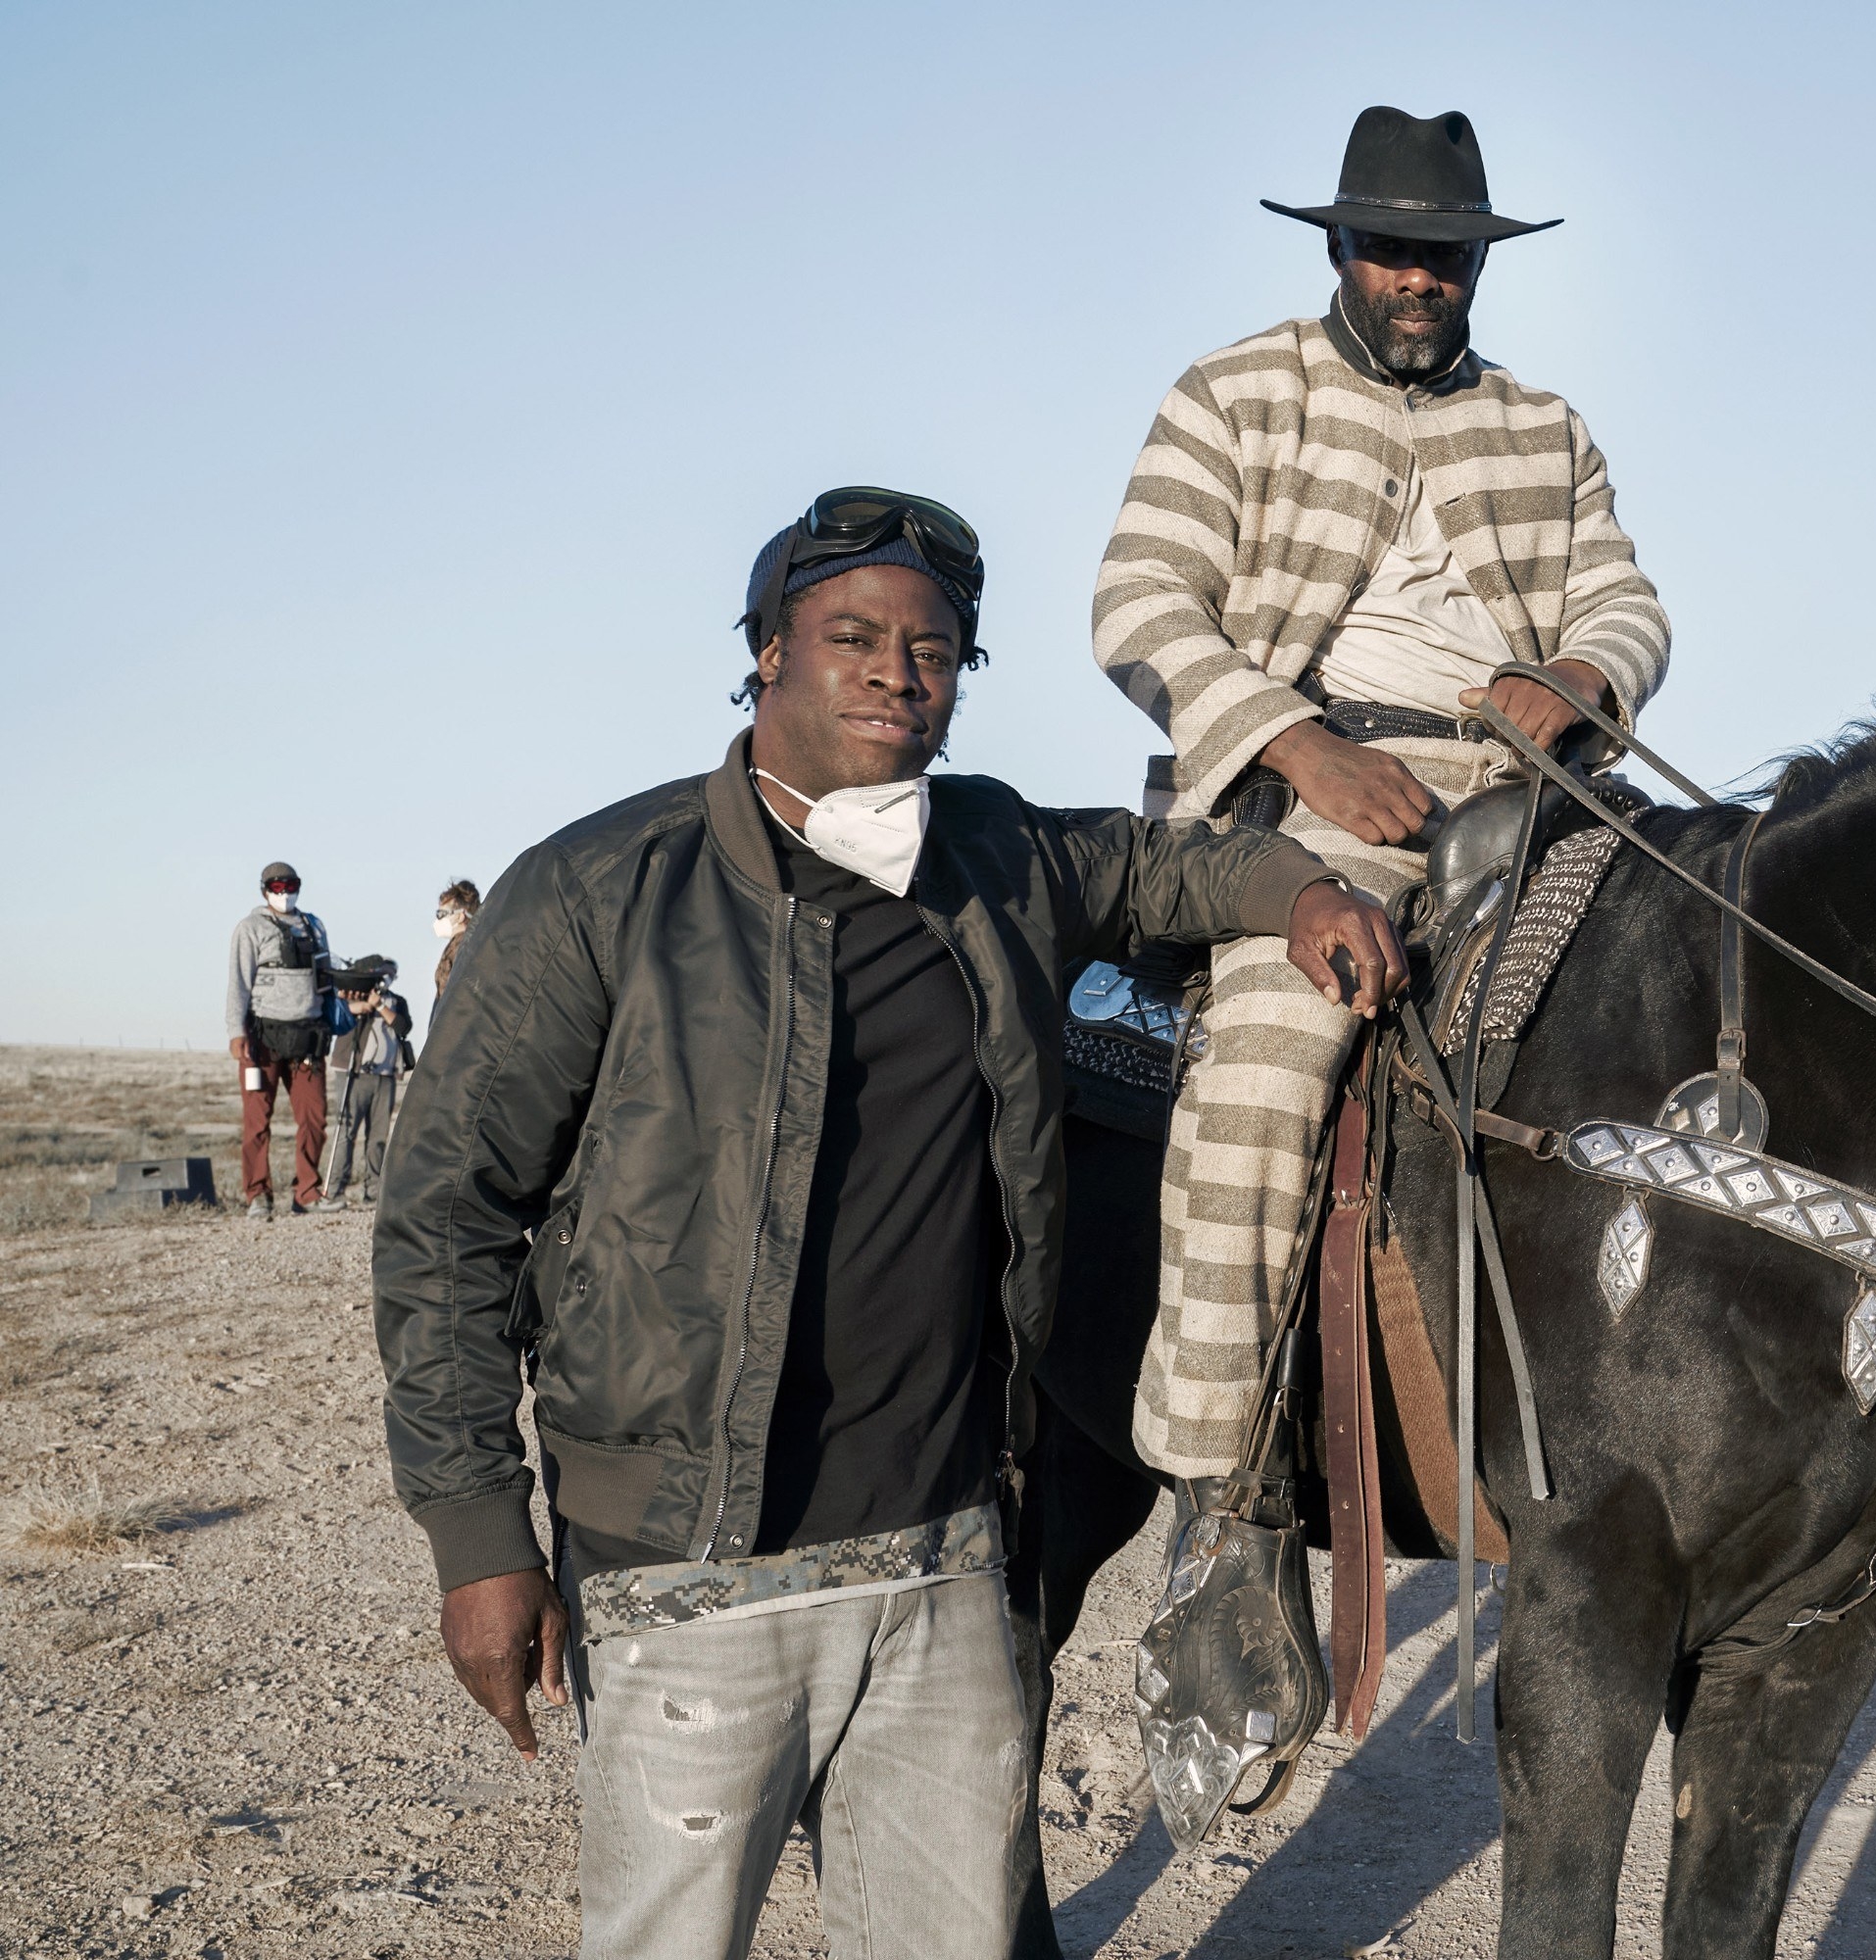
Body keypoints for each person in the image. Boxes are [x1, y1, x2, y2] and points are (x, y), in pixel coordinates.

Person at [372, 488, 1401, 1960]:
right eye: (852, 635)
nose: (894, 674)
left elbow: (1164, 866)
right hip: (684, 1572)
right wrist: (480, 1536)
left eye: (934, 652)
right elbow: (443, 1220)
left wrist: (1298, 888)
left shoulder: (988, 858)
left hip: (941, 1565)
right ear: (766, 655)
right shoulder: (602, 891)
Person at [1095, 105, 1672, 1482]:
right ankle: (1214, 1495)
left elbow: (1624, 595)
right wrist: (1300, 749)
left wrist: (1586, 672)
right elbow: (1138, 604)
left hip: (1539, 795)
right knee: (1272, 1059)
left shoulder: (1545, 426)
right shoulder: (1234, 392)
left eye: (1451, 259)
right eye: (1394, 251)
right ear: (1344, 246)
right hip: (1319, 788)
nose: (1422, 278)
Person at [223, 860, 334, 1220]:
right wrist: (236, 1032)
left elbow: (326, 978)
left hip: (308, 1039)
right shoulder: (250, 928)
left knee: (314, 1118)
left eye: (291, 886)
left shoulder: (313, 926)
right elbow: (238, 982)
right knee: (257, 1123)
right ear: (264, 890)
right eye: (277, 887)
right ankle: (258, 1195)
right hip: (262, 1040)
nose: (284, 893)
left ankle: (307, 1191)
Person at [318, 960, 412, 1213]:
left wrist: (380, 1005)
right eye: (384, 974)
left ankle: (374, 1190)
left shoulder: (396, 1002)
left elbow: (404, 1027)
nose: (388, 979)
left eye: (393, 974)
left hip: (386, 1076)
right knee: (346, 1132)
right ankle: (335, 1188)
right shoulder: (354, 995)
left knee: (378, 1136)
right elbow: (341, 1015)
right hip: (354, 1073)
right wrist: (363, 1004)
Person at [431, 878, 480, 998]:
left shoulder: (463, 947)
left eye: (442, 914)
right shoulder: (470, 943)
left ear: (460, 916)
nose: (438, 919)